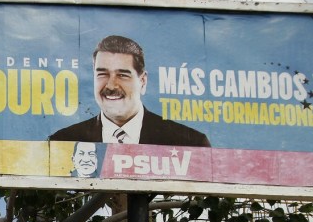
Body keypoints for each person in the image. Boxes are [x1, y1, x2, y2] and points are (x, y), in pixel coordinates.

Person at [50, 35, 210, 147]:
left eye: (122, 75)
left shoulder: (190, 143)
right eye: (102, 74)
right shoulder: (62, 142)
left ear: (143, 81)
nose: (111, 85)